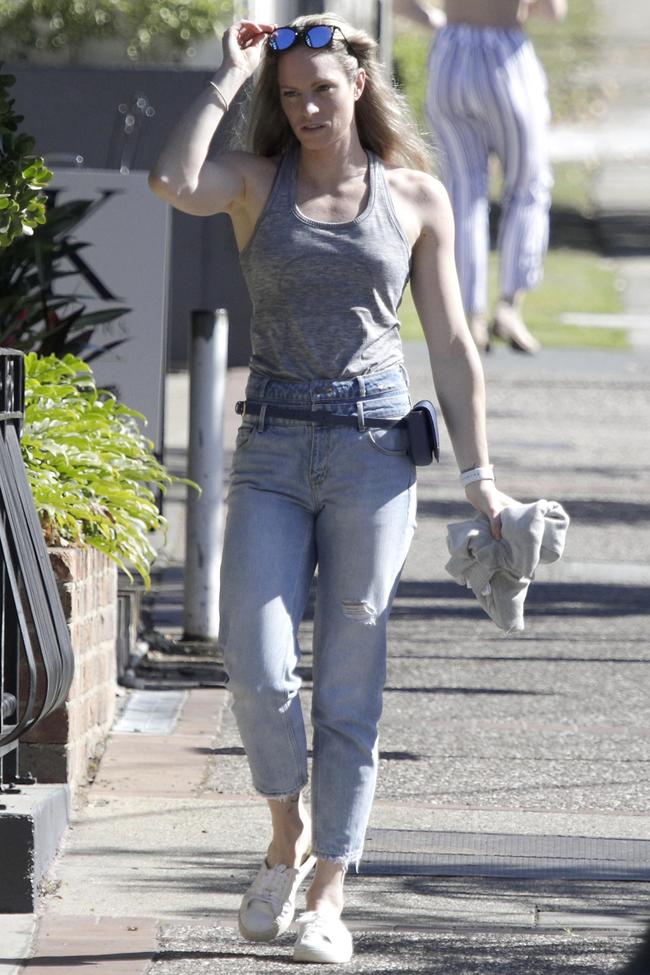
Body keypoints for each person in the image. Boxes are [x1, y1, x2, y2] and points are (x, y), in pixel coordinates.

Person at [148, 13, 511, 963]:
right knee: (259, 666)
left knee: (351, 680)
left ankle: (328, 893)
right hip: (270, 446)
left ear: (359, 85)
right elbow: (172, 181)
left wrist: (481, 479)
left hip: (374, 454)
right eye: (292, 94)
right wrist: (229, 79)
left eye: (322, 88)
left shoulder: (415, 198)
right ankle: (283, 836)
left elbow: (455, 345)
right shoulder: (256, 185)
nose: (307, 107)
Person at [394, 0, 568, 353]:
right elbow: (553, 9)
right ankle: (509, 305)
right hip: (506, 55)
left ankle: (471, 316)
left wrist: (439, 19)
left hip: (451, 54)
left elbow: (400, 4)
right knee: (527, 186)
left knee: (462, 194)